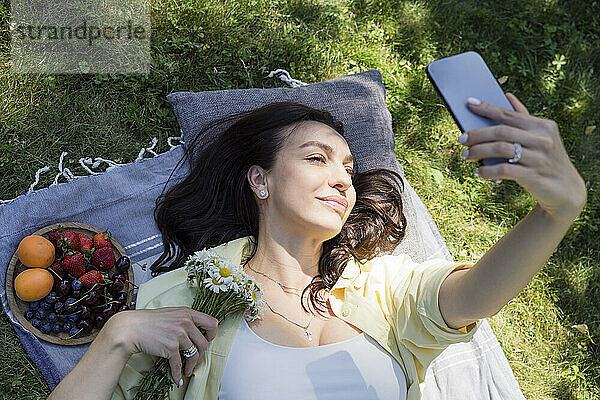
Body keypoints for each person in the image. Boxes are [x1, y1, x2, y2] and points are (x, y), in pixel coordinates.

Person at [47, 95, 587, 400]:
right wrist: (115, 337)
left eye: (349, 168)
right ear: (260, 181)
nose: (342, 180)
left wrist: (556, 212)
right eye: (316, 159)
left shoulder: (380, 288)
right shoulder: (186, 294)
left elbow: (472, 296)